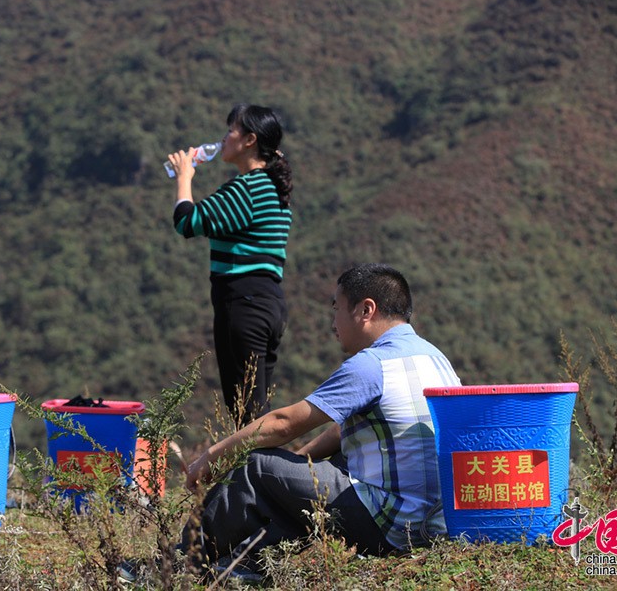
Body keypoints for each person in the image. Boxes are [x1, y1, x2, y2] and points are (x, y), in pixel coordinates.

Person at [181, 263, 461, 576]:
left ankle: (180, 564)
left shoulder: (372, 365)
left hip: (393, 525)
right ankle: (250, 564)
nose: (333, 323)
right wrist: (292, 468)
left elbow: (284, 424)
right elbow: (349, 430)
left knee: (255, 467)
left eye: (337, 308)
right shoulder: (435, 358)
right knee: (295, 471)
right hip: (437, 522)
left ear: (366, 309)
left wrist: (210, 457)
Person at [168, 104, 293, 426]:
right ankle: (254, 471)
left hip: (244, 303)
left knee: (245, 412)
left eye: (231, 131)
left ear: (250, 140)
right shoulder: (272, 189)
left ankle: (248, 474)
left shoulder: (247, 188)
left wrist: (185, 177)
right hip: (268, 302)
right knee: (255, 409)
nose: (224, 138)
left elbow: (187, 222)